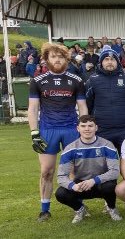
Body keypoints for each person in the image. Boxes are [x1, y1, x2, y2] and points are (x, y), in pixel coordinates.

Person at [28, 43, 88, 222]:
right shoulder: (38, 81)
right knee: (47, 171)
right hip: (48, 130)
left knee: (75, 171)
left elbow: (83, 107)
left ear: (66, 59)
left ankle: (79, 206)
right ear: (47, 59)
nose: (57, 60)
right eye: (53, 57)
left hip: (71, 129)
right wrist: (34, 133)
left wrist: (83, 130)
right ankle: (44, 209)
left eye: (60, 57)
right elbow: (32, 109)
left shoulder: (76, 80)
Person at [55, 115, 121, 223]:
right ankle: (80, 209)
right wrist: (73, 186)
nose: (87, 129)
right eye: (83, 126)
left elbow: (114, 172)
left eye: (90, 126)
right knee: (61, 193)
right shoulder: (70, 148)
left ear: (96, 128)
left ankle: (111, 208)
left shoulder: (107, 145)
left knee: (109, 186)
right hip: (81, 185)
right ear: (78, 128)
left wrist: (94, 180)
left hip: (101, 183)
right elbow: (61, 176)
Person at [84, 48, 125, 151]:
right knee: (103, 164)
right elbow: (88, 103)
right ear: (101, 62)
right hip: (102, 129)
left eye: (112, 59)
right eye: (106, 59)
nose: (110, 62)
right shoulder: (92, 80)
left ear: (117, 62)